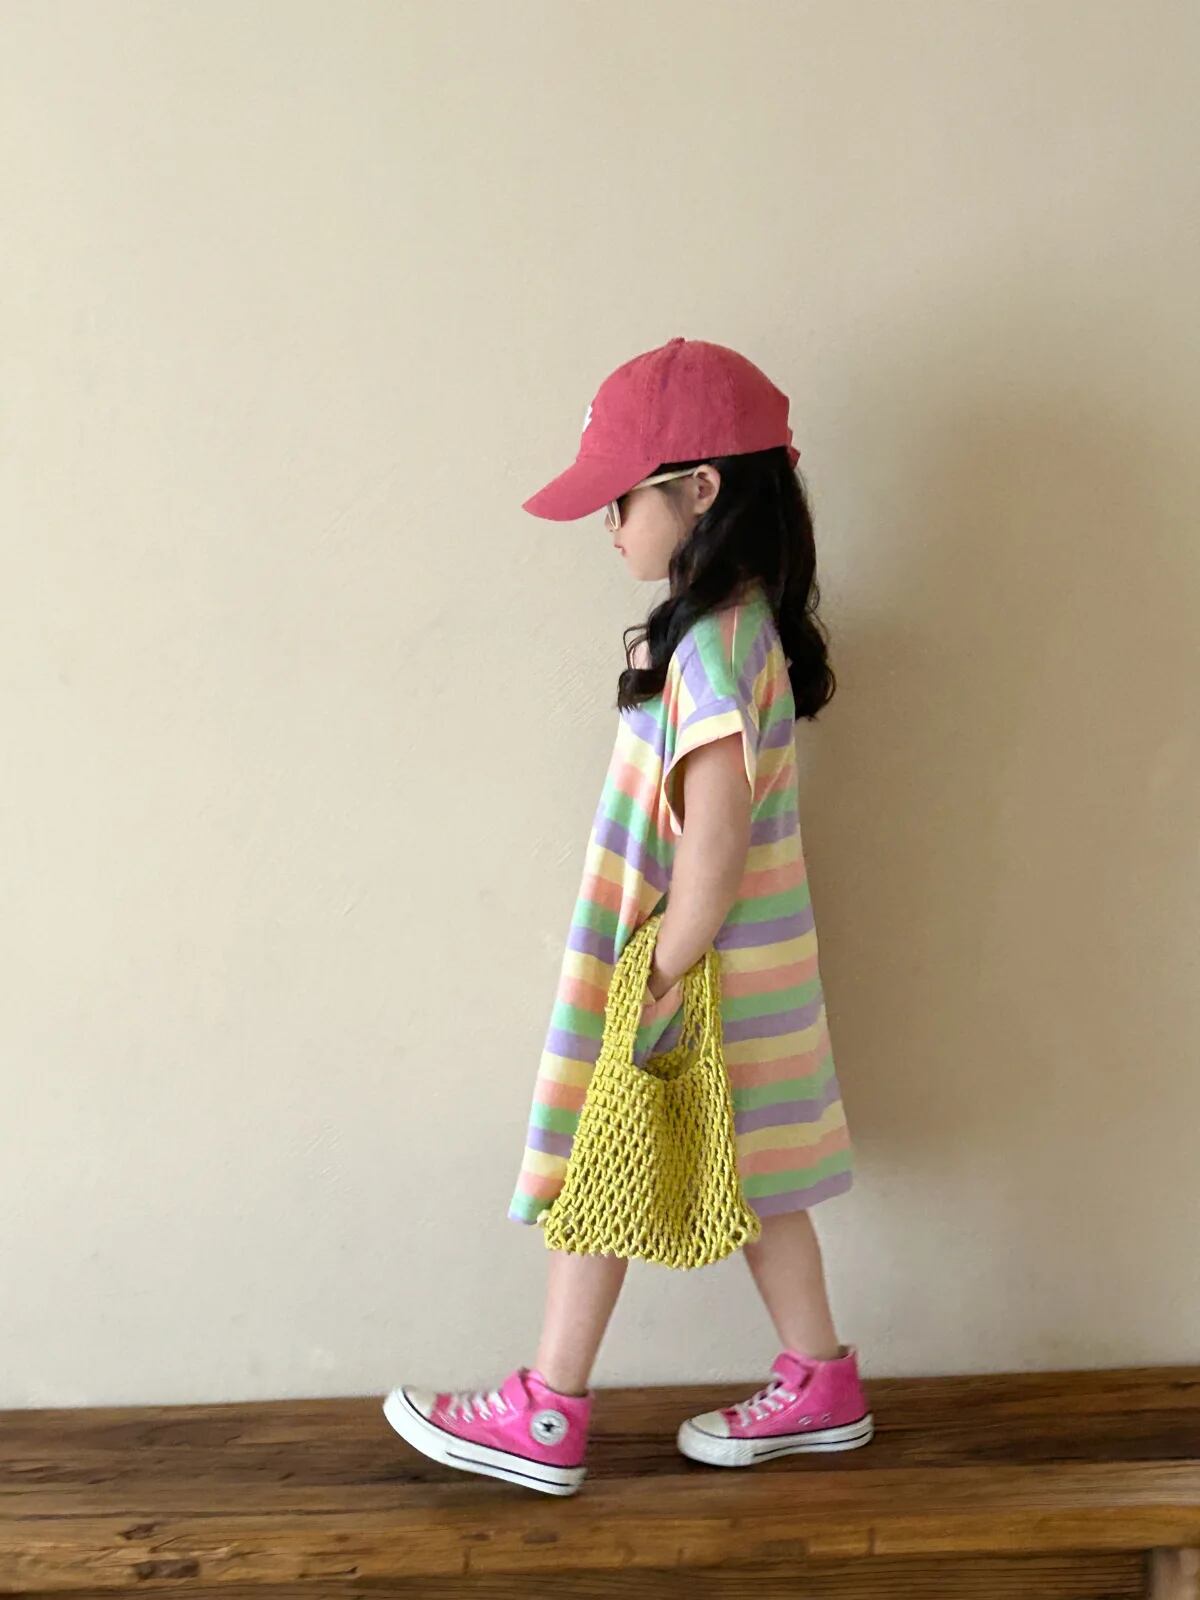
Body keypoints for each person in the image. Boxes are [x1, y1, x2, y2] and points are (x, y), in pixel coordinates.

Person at [383, 336, 873, 1495]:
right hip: (749, 978)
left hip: (693, 973)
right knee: (759, 1179)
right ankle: (822, 1382)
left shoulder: (709, 652)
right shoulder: (739, 633)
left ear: (700, 489)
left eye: (620, 499)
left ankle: (547, 1409)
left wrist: (658, 972)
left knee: (595, 1166)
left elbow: (715, 841)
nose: (608, 525)